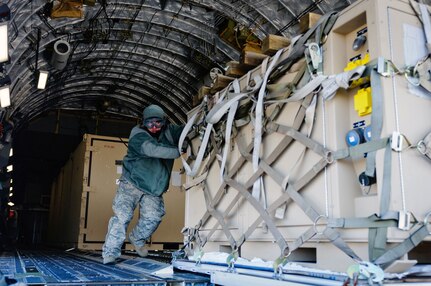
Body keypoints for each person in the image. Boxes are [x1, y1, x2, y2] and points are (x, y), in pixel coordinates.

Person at [102, 104, 184, 264]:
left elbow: (186, 130)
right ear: (143, 122)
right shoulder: (137, 134)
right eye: (149, 123)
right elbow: (152, 150)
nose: (154, 127)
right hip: (132, 183)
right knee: (122, 217)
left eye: (158, 123)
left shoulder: (170, 131)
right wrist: (179, 151)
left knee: (154, 216)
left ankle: (137, 238)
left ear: (164, 122)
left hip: (153, 187)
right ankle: (110, 253)